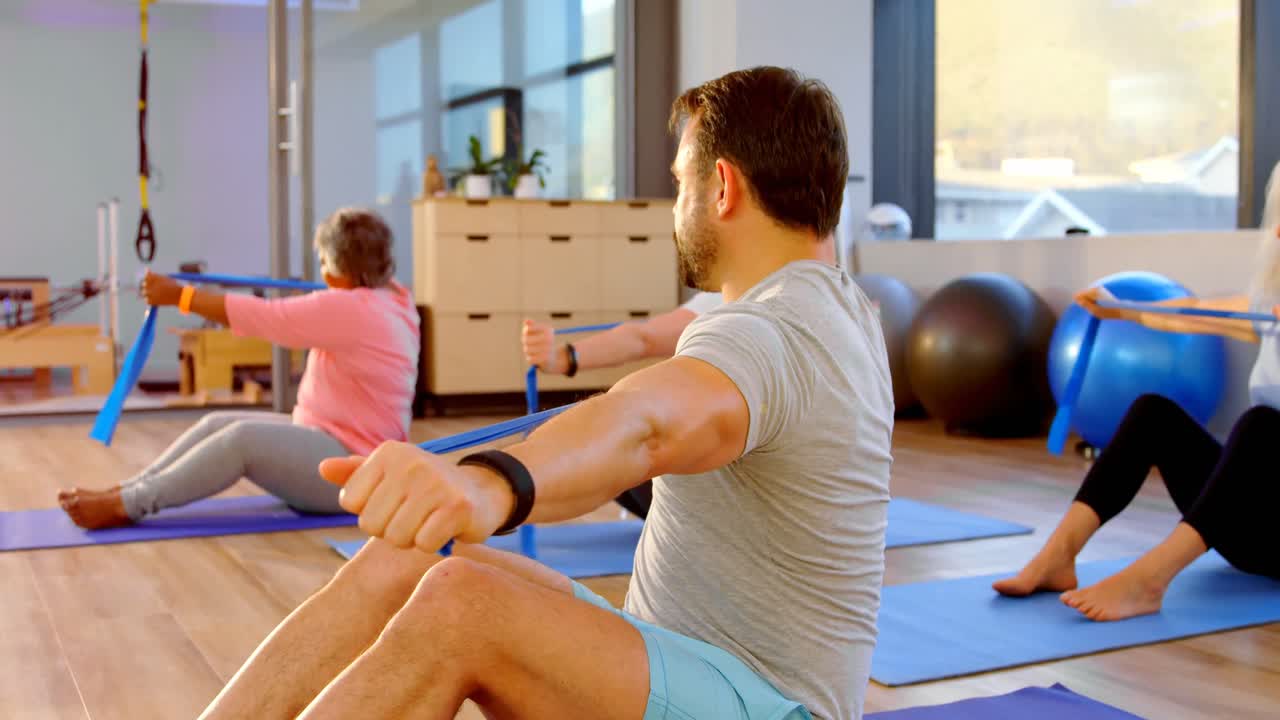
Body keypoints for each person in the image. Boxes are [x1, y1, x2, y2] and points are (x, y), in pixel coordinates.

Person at [199, 66, 893, 720]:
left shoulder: (781, 330)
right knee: (407, 556)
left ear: (721, 187)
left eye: (679, 184)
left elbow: (646, 423)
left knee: (461, 606)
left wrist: (487, 486)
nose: (675, 209)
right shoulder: (831, 313)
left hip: (764, 702)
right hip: (675, 653)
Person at [993, 159, 1280, 621]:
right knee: (1153, 413)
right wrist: (1120, 311)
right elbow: (1192, 312)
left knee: (1263, 426)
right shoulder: (1270, 310)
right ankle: (1057, 557)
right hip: (1253, 532)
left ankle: (1151, 579)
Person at [58, 208, 420, 530]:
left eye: (324, 262)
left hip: (351, 472)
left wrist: (180, 296)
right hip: (335, 443)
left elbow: (266, 317)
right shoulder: (394, 300)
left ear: (345, 268)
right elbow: (323, 305)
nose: (322, 273)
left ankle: (128, 505)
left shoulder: (354, 310)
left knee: (241, 440)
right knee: (219, 423)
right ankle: (127, 489)